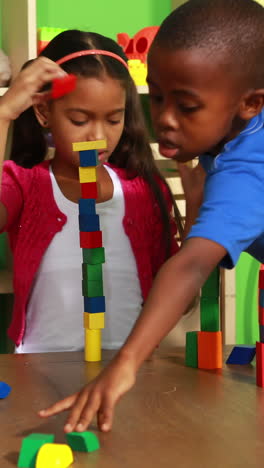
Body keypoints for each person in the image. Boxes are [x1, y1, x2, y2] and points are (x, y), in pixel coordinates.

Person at [38, 0, 264, 433]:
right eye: (156, 97)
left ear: (250, 103)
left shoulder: (248, 172)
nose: (162, 120)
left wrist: (125, 363)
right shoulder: (231, 136)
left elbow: (193, 264)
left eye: (187, 107)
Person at [0, 30, 185, 354]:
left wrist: (196, 210)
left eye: (114, 120)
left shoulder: (145, 191)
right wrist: (4, 113)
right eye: (79, 119)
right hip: (40, 371)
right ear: (44, 113)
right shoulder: (26, 186)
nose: (98, 135)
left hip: (128, 374)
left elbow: (180, 301)